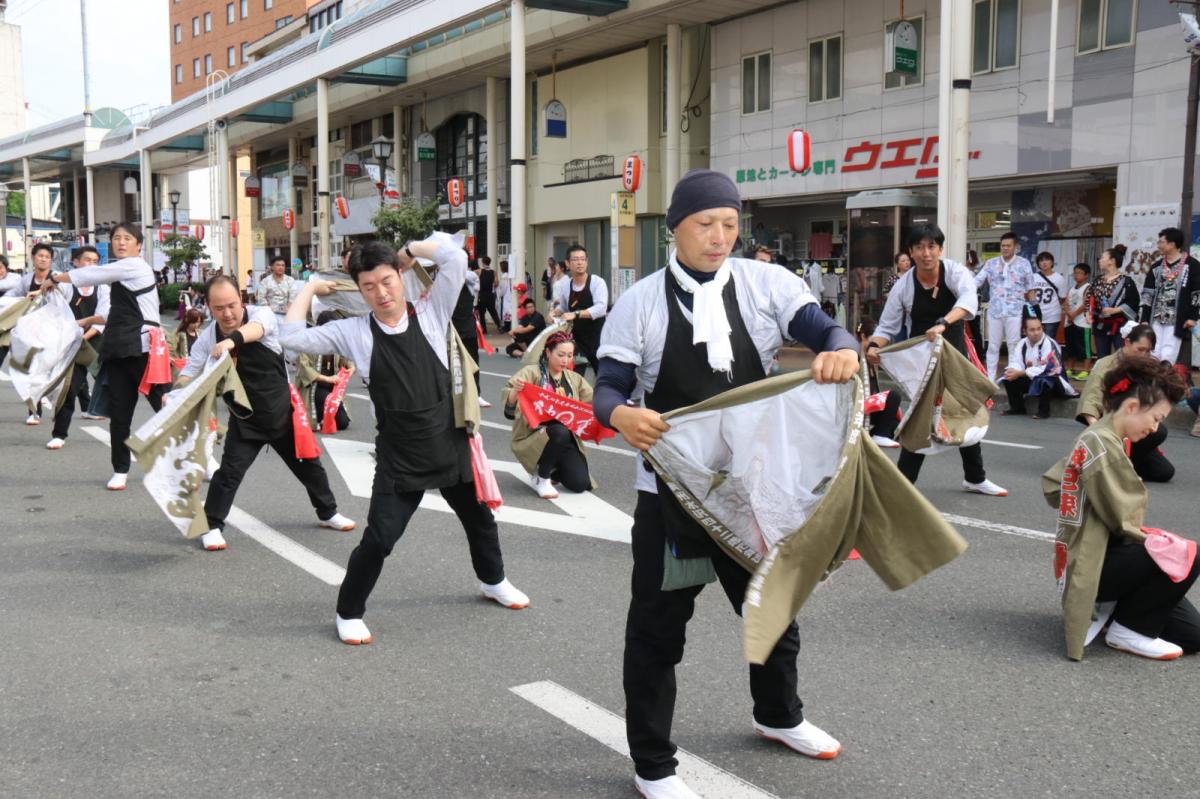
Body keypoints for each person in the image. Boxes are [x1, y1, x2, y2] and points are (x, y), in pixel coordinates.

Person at [592, 169, 859, 799]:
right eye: (705, 224)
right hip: (673, 495)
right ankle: (653, 764)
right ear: (675, 229)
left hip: (749, 489)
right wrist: (620, 414)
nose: (719, 237)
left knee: (772, 608)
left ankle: (778, 715)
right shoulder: (642, 303)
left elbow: (823, 328)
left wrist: (841, 345)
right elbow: (607, 385)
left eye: (730, 225)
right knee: (658, 631)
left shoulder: (766, 283)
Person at [280, 237, 530, 646]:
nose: (381, 293)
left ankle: (493, 580)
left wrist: (412, 249)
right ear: (358, 291)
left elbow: (455, 257)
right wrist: (308, 288)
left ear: (400, 276)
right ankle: (348, 611)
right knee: (380, 538)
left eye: (387, 280)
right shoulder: (353, 332)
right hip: (400, 454)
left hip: (448, 441)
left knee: (480, 520)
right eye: (368, 286)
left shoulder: (431, 312)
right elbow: (291, 337)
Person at [177, 276, 355, 552]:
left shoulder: (262, 315)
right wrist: (175, 392)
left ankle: (328, 512)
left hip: (281, 413)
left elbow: (257, 330)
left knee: (310, 466)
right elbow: (190, 372)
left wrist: (231, 342)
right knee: (229, 474)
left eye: (232, 305)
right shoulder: (208, 337)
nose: (227, 313)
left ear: (242, 299)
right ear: (209, 308)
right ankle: (211, 526)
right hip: (246, 419)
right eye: (219, 308)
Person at [1043, 354, 1196, 661]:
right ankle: (1128, 629)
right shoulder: (1103, 445)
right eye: (1156, 419)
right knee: (1186, 553)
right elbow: (1125, 519)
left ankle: (1120, 614)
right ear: (1131, 407)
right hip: (1093, 565)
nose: (1155, 429)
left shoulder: (1103, 436)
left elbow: (1052, 484)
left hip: (1095, 559)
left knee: (1192, 635)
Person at [867, 224, 1007, 495]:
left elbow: (968, 300)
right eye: (919, 247)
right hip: (923, 360)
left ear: (940, 249)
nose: (926, 253)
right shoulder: (903, 286)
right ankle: (903, 486)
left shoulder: (954, 272)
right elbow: (887, 327)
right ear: (911, 251)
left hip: (955, 354)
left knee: (963, 411)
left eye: (931, 246)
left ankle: (975, 478)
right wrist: (873, 346)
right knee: (922, 418)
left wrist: (944, 322)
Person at [43, 223, 165, 490]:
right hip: (120, 348)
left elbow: (91, 274)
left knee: (167, 408)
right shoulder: (121, 275)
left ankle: (203, 462)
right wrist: (86, 320)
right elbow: (117, 314)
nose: (121, 242)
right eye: (116, 238)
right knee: (120, 414)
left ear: (139, 245)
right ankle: (120, 469)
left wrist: (54, 278)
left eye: (127, 238)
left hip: (146, 350)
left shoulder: (134, 266)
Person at [1076, 324, 1175, 483]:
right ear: (1127, 342)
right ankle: (1114, 464)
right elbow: (1091, 398)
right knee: (1159, 432)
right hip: (1112, 424)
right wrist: (1097, 430)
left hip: (1136, 425)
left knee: (1164, 472)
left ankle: (1123, 463)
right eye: (1140, 349)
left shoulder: (1148, 366)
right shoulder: (1105, 364)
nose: (1144, 354)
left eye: (1148, 351)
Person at [501, 329, 594, 499]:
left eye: (570, 355)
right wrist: (516, 391)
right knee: (559, 431)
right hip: (535, 434)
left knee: (579, 484)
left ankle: (553, 469)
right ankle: (542, 478)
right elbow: (509, 408)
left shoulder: (574, 378)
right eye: (560, 355)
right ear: (548, 352)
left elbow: (592, 401)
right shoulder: (531, 373)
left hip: (565, 438)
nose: (565, 360)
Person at [45, 246, 107, 449]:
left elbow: (102, 319)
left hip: (95, 342)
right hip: (71, 344)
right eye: (86, 260)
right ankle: (59, 434)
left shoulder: (103, 288)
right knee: (69, 388)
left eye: (95, 261)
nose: (91, 264)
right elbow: (55, 306)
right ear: (76, 263)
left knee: (114, 386)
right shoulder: (67, 286)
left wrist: (84, 335)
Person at [975, 231, 1036, 382]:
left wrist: (1035, 312)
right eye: (1003, 246)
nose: (1005, 248)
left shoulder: (1024, 263)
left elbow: (1030, 289)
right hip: (995, 311)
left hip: (1015, 311)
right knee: (993, 346)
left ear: (1015, 247)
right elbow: (977, 281)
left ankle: (1011, 377)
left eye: (1009, 245)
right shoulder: (991, 263)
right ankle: (990, 378)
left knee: (1013, 345)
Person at [1139, 226, 1200, 373]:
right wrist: (1145, 318)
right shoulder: (1156, 267)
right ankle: (1151, 381)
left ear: (1172, 244)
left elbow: (1197, 293)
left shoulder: (1192, 265)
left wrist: (1193, 317)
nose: (1158, 245)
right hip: (1156, 316)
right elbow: (1148, 293)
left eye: (1161, 242)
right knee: (1153, 350)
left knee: (1168, 352)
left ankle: (1163, 382)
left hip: (1177, 318)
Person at [1000, 317, 1077, 420]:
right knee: (1008, 378)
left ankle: (1044, 411)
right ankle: (1017, 408)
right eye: (1032, 330)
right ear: (1025, 331)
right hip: (1032, 377)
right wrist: (1013, 371)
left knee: (1045, 379)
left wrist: (1021, 373)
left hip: (1055, 383)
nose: (1036, 333)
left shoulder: (1050, 343)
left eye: (1039, 329)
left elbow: (1048, 368)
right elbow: (1016, 362)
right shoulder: (1022, 343)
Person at [550, 244, 609, 380]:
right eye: (576, 259)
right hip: (576, 338)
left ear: (587, 262)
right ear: (568, 263)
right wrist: (555, 313)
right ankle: (572, 399)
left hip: (598, 337)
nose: (580, 262)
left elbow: (601, 308)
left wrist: (576, 314)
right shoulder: (566, 285)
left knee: (602, 375)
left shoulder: (597, 282)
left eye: (583, 259)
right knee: (573, 376)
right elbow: (564, 308)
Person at [297, 311, 355, 433]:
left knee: (342, 423)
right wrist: (327, 378)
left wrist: (351, 366)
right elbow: (304, 368)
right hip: (313, 387)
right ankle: (317, 415)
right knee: (327, 399)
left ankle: (321, 415)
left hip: (331, 386)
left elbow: (346, 359)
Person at [856, 317, 902, 448]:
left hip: (869, 406)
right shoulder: (855, 355)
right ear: (864, 336)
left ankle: (877, 432)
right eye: (874, 339)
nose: (877, 343)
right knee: (894, 396)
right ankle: (880, 434)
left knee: (896, 425)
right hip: (858, 405)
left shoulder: (870, 357)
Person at [1089, 245, 1138, 359]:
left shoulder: (1126, 281)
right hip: (1100, 324)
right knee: (1102, 357)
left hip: (1119, 325)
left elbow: (1134, 302)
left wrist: (1115, 310)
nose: (1099, 260)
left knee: (1123, 357)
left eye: (1102, 258)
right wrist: (1089, 314)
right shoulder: (1097, 280)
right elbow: (1090, 298)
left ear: (1112, 261)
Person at [1063, 263, 1092, 379]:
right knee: (1071, 347)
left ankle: (1086, 370)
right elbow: (1065, 302)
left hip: (1082, 322)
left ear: (1086, 275)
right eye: (1075, 273)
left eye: (1079, 273)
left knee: (1085, 348)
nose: (1076, 275)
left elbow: (1086, 304)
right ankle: (1070, 368)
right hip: (1070, 322)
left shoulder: (1088, 287)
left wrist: (1073, 314)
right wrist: (1068, 313)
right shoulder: (1071, 288)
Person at [1032, 251, 1068, 340]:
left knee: (1048, 340)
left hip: (1052, 315)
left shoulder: (1059, 278)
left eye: (1047, 260)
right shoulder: (1033, 277)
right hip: (1035, 314)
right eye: (1041, 260)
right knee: (1034, 339)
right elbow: (1028, 295)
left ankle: (1048, 354)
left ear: (1052, 262)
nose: (1044, 262)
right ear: (1038, 264)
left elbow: (1063, 297)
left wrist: (1054, 305)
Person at [257, 256, 296, 324]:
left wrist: (289, 309)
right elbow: (261, 298)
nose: (281, 267)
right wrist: (268, 311)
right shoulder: (265, 281)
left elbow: (293, 297)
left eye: (283, 265)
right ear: (272, 267)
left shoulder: (290, 280)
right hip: (270, 315)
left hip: (287, 315)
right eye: (278, 265)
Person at [475, 255, 502, 333]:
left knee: (482, 314)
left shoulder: (479, 271)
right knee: (493, 311)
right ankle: (499, 327)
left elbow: (470, 274)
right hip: (490, 295)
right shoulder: (494, 272)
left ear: (483, 262)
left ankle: (484, 330)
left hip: (482, 295)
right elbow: (496, 283)